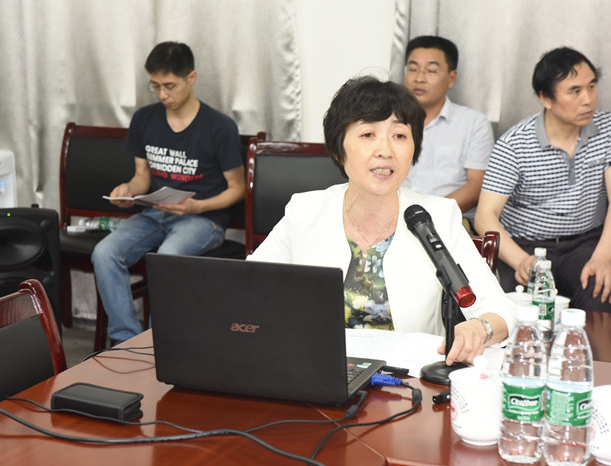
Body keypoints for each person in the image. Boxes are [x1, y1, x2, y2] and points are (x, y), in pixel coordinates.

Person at [248, 76, 515, 365]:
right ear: (338, 150)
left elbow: (499, 309)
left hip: (405, 378)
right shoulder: (305, 211)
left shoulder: (437, 216)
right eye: (368, 135)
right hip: (316, 368)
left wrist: (480, 327)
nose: (385, 150)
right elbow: (247, 288)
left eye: (399, 136)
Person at [92, 41, 245, 343]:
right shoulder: (145, 119)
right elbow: (141, 177)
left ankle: (155, 344)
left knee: (167, 258)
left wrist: (197, 207)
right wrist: (127, 191)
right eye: (156, 86)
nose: (163, 95)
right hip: (155, 213)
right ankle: (127, 343)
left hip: (202, 220)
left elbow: (237, 189)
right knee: (104, 253)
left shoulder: (219, 127)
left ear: (191, 78)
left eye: (170, 86)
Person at [475, 47, 611, 312]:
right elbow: (485, 217)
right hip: (525, 244)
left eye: (592, 87)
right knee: (510, 308)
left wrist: (604, 256)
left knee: (601, 290)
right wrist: (522, 261)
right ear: (546, 98)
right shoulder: (515, 145)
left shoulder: (606, 130)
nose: (588, 100)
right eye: (575, 91)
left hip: (586, 242)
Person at [401, 36, 493, 229]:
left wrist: (424, 215)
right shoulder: (387, 120)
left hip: (447, 221)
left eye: (432, 70)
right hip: (391, 218)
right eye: (413, 69)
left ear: (451, 78)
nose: (419, 78)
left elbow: (477, 186)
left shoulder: (473, 123)